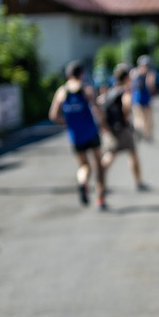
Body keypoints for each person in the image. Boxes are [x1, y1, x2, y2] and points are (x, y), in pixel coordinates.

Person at [49, 60, 107, 210]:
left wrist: (67, 123)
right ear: (81, 74)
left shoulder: (62, 91)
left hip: (75, 135)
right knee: (98, 166)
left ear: (68, 74)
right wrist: (103, 123)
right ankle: (100, 199)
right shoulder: (86, 89)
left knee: (84, 166)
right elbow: (97, 108)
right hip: (91, 131)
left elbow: (53, 115)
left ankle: (82, 183)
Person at [98, 63, 149, 192]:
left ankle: (100, 180)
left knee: (110, 155)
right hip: (123, 128)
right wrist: (127, 118)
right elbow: (126, 108)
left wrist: (104, 124)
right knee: (132, 153)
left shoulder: (110, 91)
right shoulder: (125, 92)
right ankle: (139, 182)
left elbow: (99, 104)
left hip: (110, 129)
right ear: (126, 77)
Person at [131, 55, 157, 142]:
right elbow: (151, 86)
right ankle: (147, 135)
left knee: (138, 118)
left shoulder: (134, 72)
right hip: (145, 99)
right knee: (147, 119)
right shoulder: (149, 74)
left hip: (135, 99)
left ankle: (140, 132)